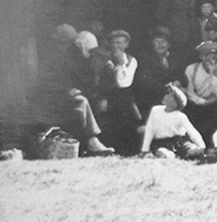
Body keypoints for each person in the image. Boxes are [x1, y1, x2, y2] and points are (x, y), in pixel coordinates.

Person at [29, 24, 115, 156]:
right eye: (69, 42)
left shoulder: (69, 57)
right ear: (60, 42)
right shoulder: (52, 59)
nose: (73, 45)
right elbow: (45, 82)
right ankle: (91, 142)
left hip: (62, 97)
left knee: (83, 102)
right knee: (81, 102)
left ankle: (89, 143)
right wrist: (67, 90)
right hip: (49, 98)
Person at [139, 84, 205, 159]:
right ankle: (172, 155)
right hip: (161, 142)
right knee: (162, 152)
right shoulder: (155, 110)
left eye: (169, 96)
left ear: (175, 103)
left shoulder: (180, 116)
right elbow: (150, 131)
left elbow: (192, 131)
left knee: (194, 151)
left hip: (179, 141)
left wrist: (201, 146)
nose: (165, 96)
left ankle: (185, 153)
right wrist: (145, 149)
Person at [184, 41, 217, 139]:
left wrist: (213, 76)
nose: (213, 59)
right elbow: (190, 92)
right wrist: (203, 102)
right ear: (202, 57)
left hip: (215, 106)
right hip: (197, 105)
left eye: (215, 56)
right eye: (209, 55)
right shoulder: (191, 69)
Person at [134, 26, 185, 111]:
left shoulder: (175, 58)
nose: (160, 45)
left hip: (173, 98)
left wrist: (178, 82)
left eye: (163, 41)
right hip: (153, 100)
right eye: (157, 41)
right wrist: (168, 88)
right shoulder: (145, 59)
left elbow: (182, 76)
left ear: (168, 45)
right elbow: (146, 82)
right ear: (152, 44)